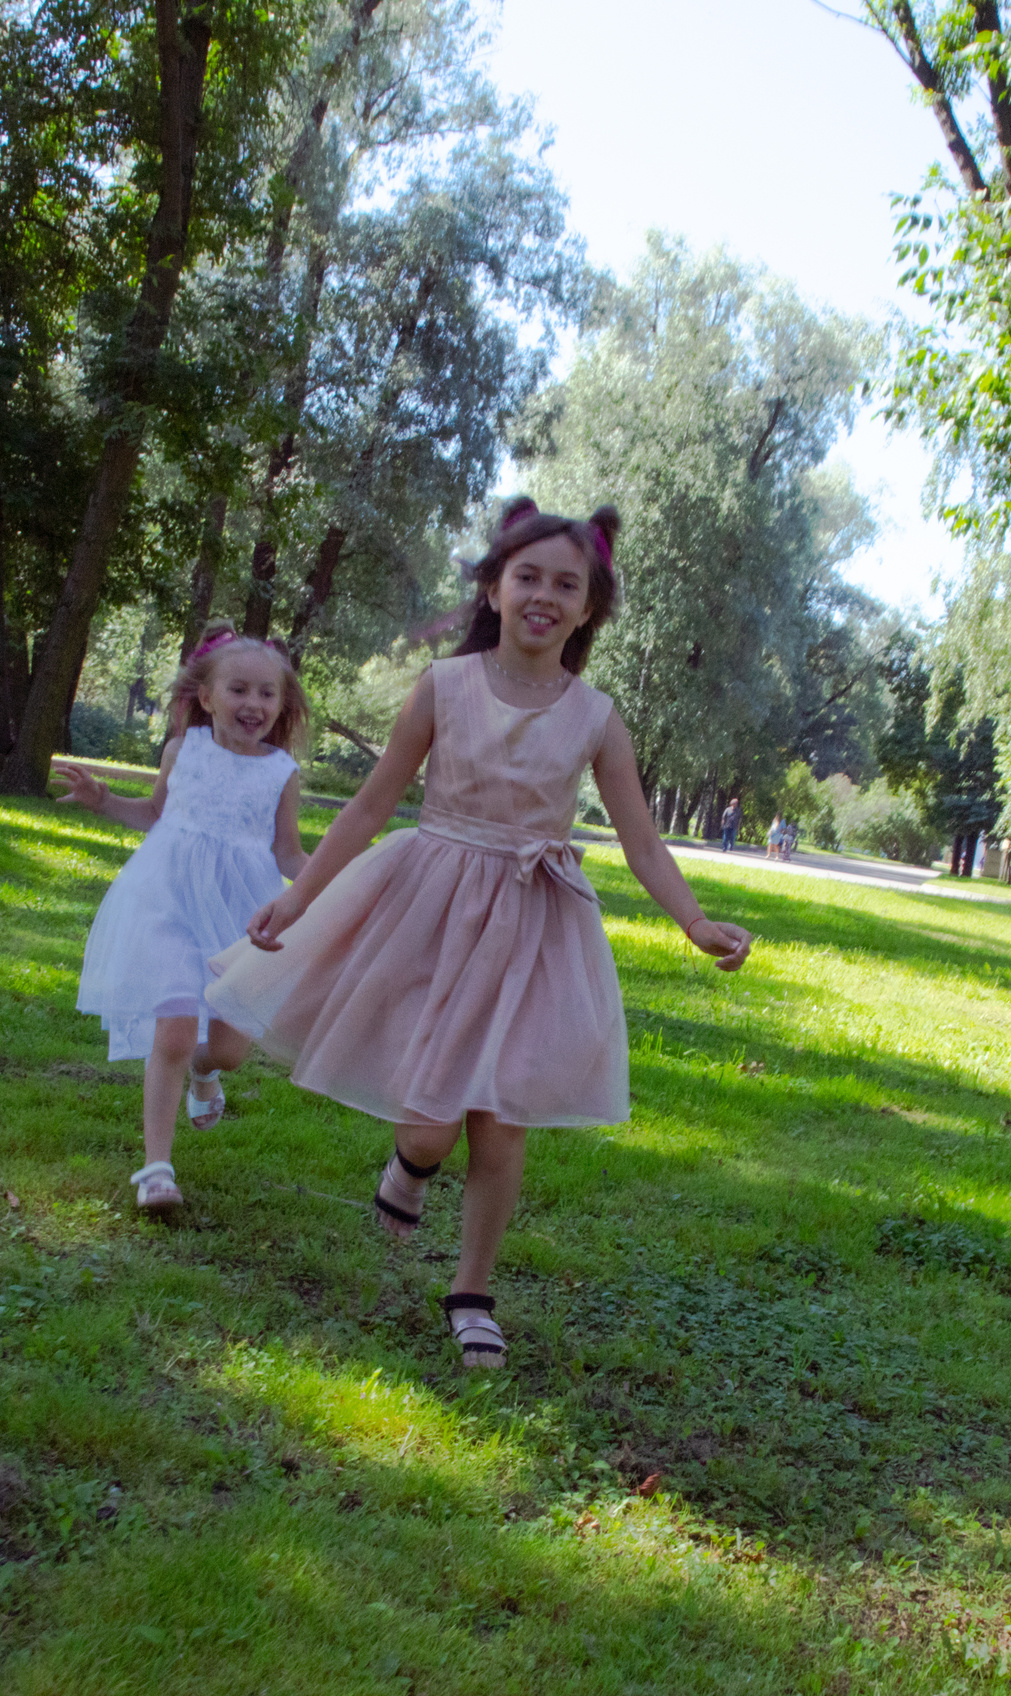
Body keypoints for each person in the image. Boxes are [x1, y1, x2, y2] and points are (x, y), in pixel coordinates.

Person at [207, 500, 752, 1365]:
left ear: (587, 608)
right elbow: (373, 802)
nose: (544, 595)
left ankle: (472, 1290)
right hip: (431, 905)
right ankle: (411, 1164)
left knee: (501, 1116)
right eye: (526, 576)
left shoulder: (598, 716)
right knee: (428, 1124)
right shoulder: (443, 687)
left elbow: (641, 838)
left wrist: (692, 920)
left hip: (535, 923)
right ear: (494, 589)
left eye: (565, 585)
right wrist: (300, 896)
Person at [57, 628, 308, 1213]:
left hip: (240, 912)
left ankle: (205, 1073)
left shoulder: (280, 772)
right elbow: (153, 814)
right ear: (207, 697)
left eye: (267, 694)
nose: (254, 704)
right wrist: (103, 803)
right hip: (166, 900)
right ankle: (156, 1171)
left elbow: (289, 853)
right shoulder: (182, 751)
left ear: (281, 704)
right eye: (239, 689)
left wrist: (339, 886)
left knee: (227, 1050)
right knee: (172, 1027)